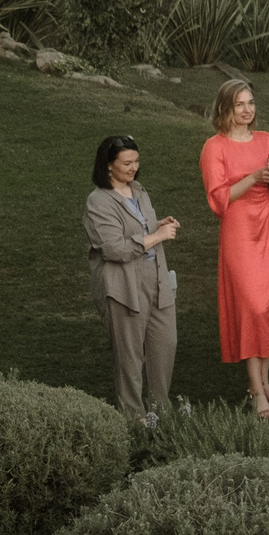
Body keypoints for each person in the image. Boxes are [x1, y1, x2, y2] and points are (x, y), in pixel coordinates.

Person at [200, 79, 269, 419]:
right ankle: (256, 391)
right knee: (252, 307)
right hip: (239, 228)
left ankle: (265, 382)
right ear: (224, 108)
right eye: (239, 104)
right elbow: (219, 198)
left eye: (251, 103)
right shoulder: (214, 147)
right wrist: (256, 177)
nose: (247, 110)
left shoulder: (266, 139)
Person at [84, 134, 179, 424]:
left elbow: (138, 229)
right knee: (129, 358)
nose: (134, 167)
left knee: (165, 345)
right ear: (108, 165)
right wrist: (157, 236)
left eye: (136, 161)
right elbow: (114, 249)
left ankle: (160, 414)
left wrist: (157, 225)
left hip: (157, 279)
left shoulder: (138, 190)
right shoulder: (99, 201)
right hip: (124, 286)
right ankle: (134, 421)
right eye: (126, 163)